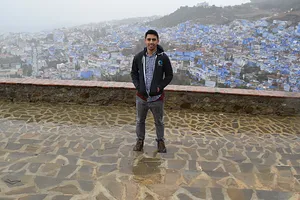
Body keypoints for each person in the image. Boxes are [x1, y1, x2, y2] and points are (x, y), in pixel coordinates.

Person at [131, 29, 173, 153]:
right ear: (145, 41)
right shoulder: (139, 57)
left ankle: (160, 141)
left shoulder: (163, 58)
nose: (151, 42)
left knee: (159, 121)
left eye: (154, 40)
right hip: (142, 97)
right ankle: (140, 141)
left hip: (157, 98)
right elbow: (133, 73)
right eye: (149, 39)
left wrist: (160, 87)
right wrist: (138, 86)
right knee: (140, 120)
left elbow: (169, 75)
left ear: (157, 41)